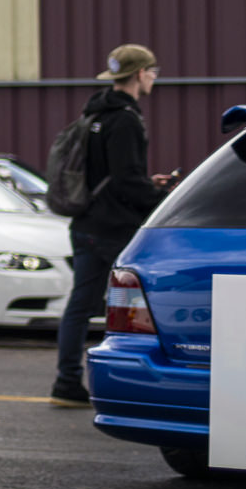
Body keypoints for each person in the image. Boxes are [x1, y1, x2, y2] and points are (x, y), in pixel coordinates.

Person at [51, 44, 172, 406]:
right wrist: (162, 199)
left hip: (86, 223)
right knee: (138, 306)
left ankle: (66, 382)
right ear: (140, 74)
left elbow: (110, 175)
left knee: (80, 306)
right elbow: (124, 182)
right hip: (113, 228)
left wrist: (145, 182)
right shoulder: (125, 119)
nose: (154, 79)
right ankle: (134, 383)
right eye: (153, 72)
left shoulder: (95, 114)